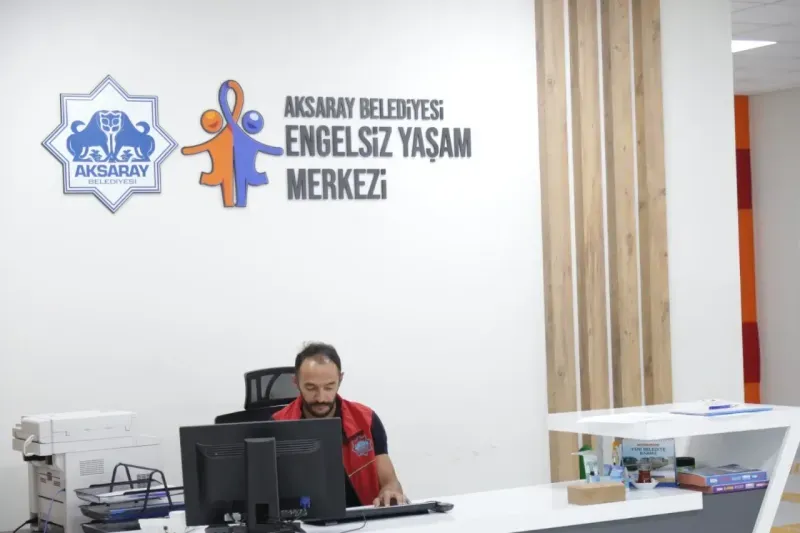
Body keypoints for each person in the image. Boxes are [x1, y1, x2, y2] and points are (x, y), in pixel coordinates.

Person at [271, 342, 408, 508]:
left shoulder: (366, 420)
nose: (321, 397)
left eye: (329, 387)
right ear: (296, 382)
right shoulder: (278, 425)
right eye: (311, 388)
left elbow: (390, 482)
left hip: (362, 518)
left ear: (340, 380)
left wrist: (390, 491)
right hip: (301, 520)